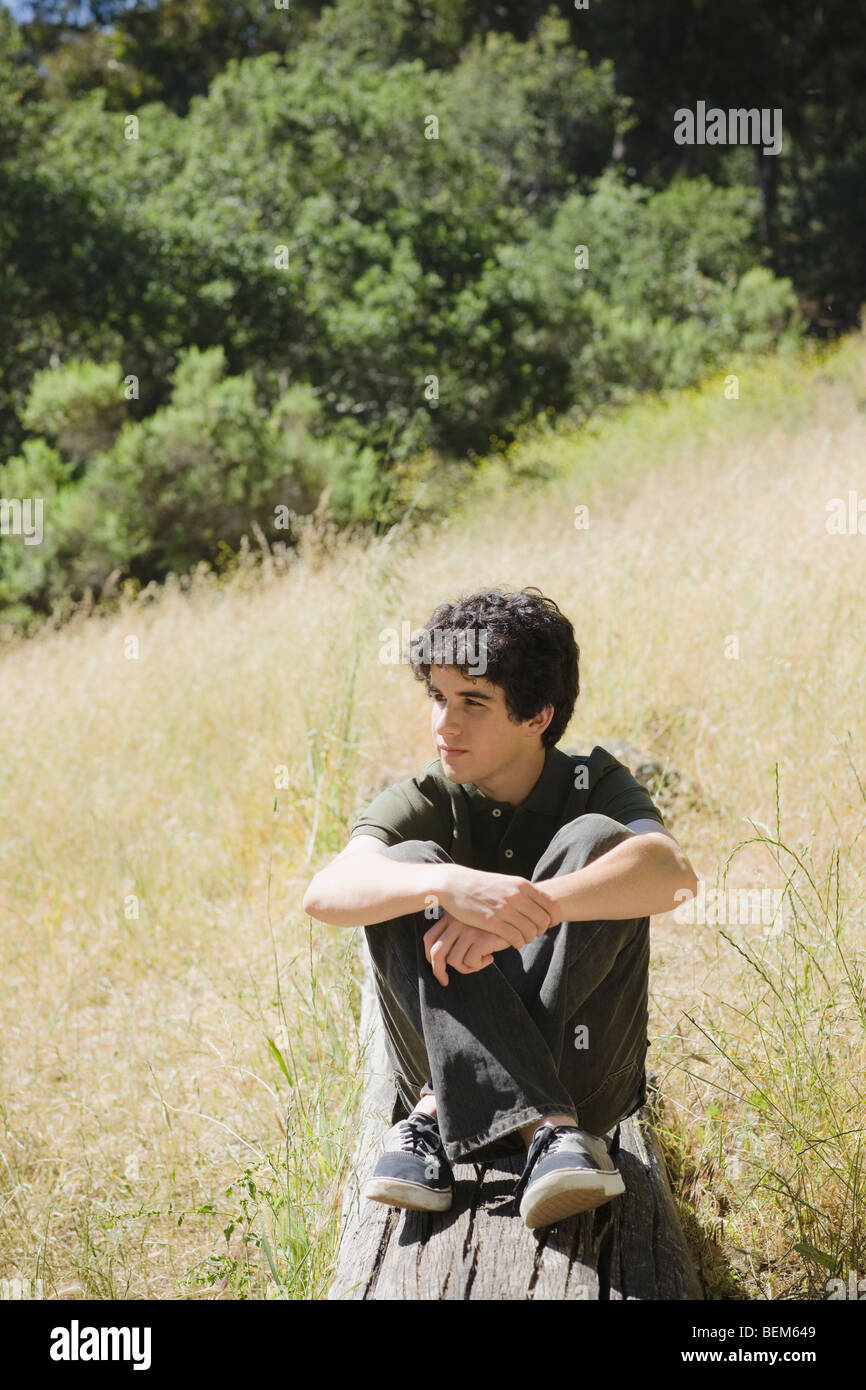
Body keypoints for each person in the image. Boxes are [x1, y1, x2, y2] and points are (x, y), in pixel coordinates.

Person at [302, 587, 698, 1230]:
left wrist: (528, 910)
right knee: (403, 869)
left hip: (585, 1081)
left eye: (473, 703)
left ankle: (446, 1117)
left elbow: (673, 875)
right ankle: (543, 1127)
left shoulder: (589, 782)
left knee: (599, 844)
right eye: (438, 697)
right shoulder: (429, 792)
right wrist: (451, 887)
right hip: (507, 1104)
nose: (444, 725)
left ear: (538, 715)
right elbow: (325, 894)